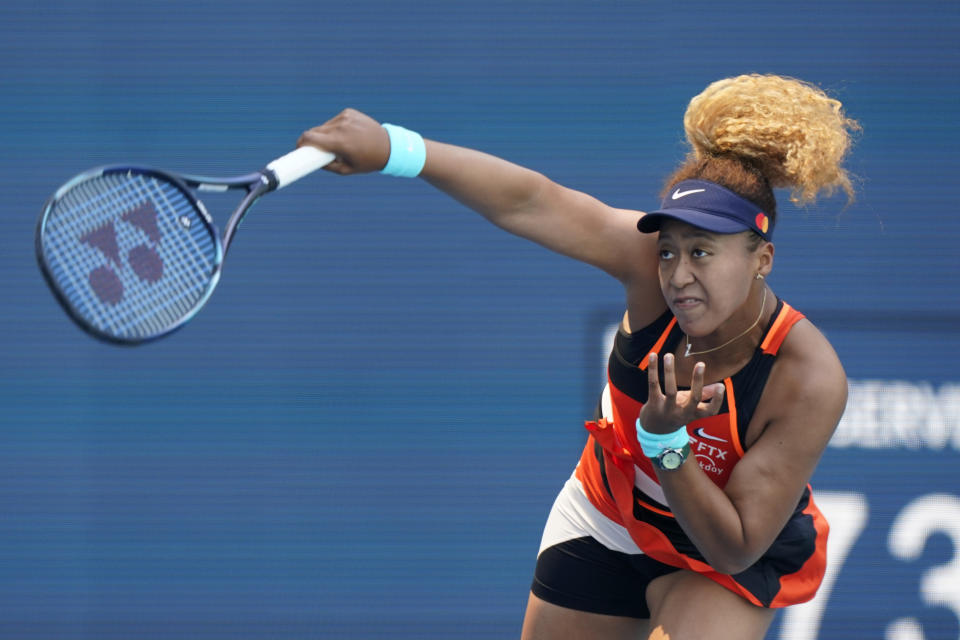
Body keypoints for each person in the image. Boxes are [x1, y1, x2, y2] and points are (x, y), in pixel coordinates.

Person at [298, 73, 859, 640]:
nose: (679, 276)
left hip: (717, 560)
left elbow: (734, 547)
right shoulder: (649, 270)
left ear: (761, 258)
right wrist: (397, 148)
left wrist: (665, 443)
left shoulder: (807, 377)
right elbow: (532, 199)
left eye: (703, 253)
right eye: (668, 251)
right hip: (610, 514)